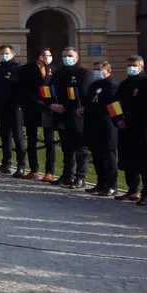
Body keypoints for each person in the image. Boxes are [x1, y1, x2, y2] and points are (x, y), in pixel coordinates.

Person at [113, 55, 147, 205]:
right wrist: (117, 119)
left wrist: (133, 120)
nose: (131, 68)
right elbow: (114, 103)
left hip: (142, 128)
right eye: (129, 65)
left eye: (134, 65)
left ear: (141, 67)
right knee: (128, 159)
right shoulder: (124, 84)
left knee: (144, 160)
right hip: (124, 127)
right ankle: (132, 189)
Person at [49, 47, 92, 188]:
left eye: (70, 56)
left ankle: (80, 176)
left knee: (80, 147)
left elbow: (83, 94)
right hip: (61, 115)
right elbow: (50, 91)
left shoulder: (84, 73)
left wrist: (65, 106)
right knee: (66, 147)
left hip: (76, 114)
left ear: (77, 57)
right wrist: (52, 104)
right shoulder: (58, 73)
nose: (67, 58)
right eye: (65, 56)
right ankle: (67, 175)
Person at [81, 61, 119, 197]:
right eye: (94, 69)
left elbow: (113, 106)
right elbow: (89, 102)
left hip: (107, 124)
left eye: (98, 69)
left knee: (109, 156)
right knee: (97, 156)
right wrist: (84, 109)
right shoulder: (93, 86)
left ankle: (112, 185)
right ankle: (101, 183)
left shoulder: (113, 86)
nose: (95, 72)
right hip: (92, 124)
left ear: (108, 71)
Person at [18, 48, 55, 180]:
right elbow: (23, 89)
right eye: (47, 55)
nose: (49, 57)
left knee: (49, 141)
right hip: (32, 107)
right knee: (32, 140)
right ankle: (34, 170)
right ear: (40, 56)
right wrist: (37, 102)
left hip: (48, 109)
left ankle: (49, 171)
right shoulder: (27, 69)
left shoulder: (52, 69)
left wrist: (50, 104)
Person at [0, 45, 27, 176]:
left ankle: (21, 165)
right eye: (1, 53)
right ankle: (6, 163)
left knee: (18, 136)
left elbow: (23, 88)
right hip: (1, 106)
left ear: (12, 54)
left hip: (15, 107)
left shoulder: (19, 69)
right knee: (5, 137)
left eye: (6, 53)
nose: (3, 55)